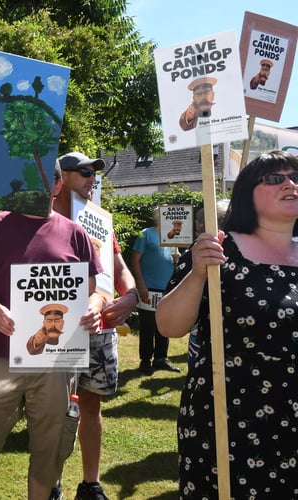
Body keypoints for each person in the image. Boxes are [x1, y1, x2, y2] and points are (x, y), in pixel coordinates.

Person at [156, 150, 298, 498]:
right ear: (247, 192)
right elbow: (169, 326)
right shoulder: (219, 250)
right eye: (275, 178)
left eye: (295, 177)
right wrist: (198, 273)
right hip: (229, 419)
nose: (290, 184)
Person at [0, 160, 104, 500]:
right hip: (2, 355)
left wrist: (94, 310)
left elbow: (95, 291)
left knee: (50, 448)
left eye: (47, 180)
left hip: (57, 362)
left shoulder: (76, 234)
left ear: (58, 186)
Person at [52, 151, 139, 500]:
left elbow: (118, 268)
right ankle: (50, 483)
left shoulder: (100, 220)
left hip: (99, 329)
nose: (92, 179)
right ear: (60, 178)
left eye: (94, 173)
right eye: (84, 172)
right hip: (55, 328)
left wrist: (131, 296)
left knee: (91, 406)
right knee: (53, 410)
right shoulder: (37, 218)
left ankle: (90, 484)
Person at [130, 209, 181, 375]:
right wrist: (140, 283)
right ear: (159, 217)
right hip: (149, 286)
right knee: (148, 325)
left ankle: (161, 359)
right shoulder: (146, 234)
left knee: (164, 324)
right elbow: (135, 260)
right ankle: (145, 361)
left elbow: (176, 259)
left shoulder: (172, 237)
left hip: (167, 287)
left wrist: (177, 259)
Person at [188, 199, 230, 368]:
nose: (199, 226)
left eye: (204, 222)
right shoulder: (196, 252)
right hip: (203, 333)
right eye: (198, 221)